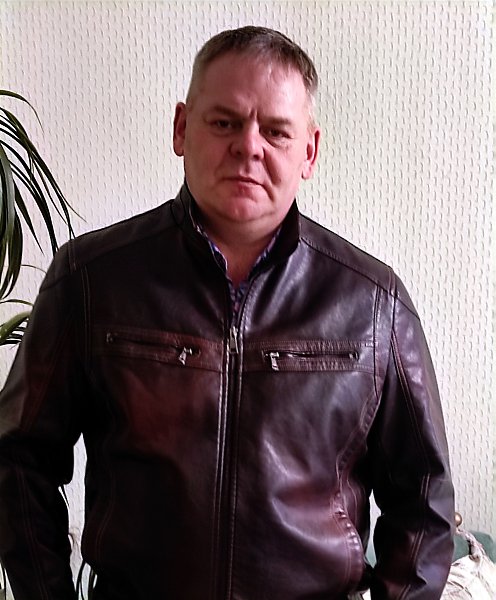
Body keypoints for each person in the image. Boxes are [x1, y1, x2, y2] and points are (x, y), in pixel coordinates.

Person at [0, 26, 454, 600]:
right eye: (224, 122)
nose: (249, 146)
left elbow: (424, 497)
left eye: (276, 130)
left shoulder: (371, 302)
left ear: (309, 151)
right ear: (181, 128)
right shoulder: (91, 280)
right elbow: (18, 462)